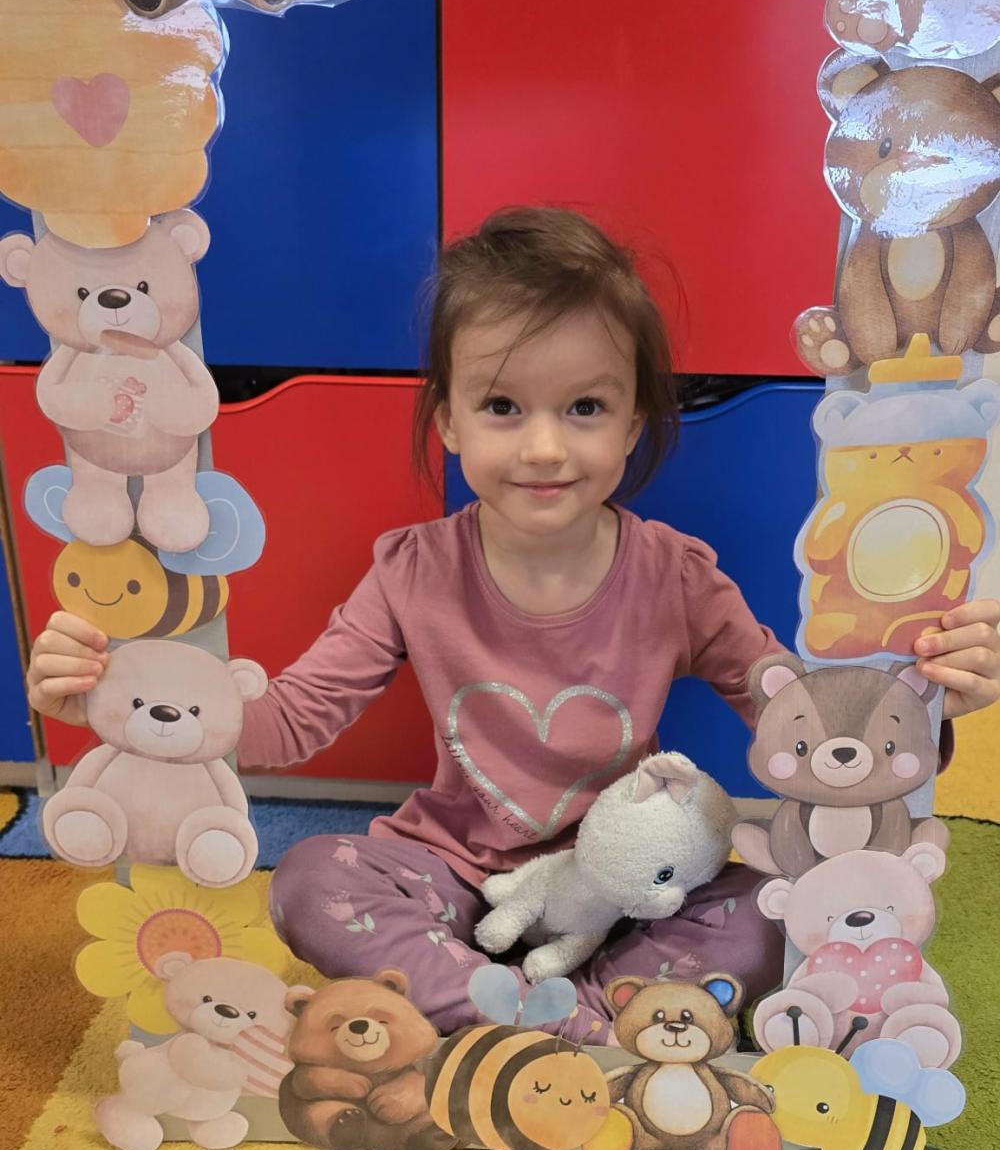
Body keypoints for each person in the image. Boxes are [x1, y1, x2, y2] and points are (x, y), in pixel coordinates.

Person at [26, 209, 1000, 1043]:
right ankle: (573, 1022)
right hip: (452, 879)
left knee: (763, 911)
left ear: (633, 423)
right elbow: (290, 720)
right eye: (501, 405)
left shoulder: (676, 577)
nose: (542, 446)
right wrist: (130, 695)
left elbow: (806, 726)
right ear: (448, 419)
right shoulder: (412, 569)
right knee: (310, 883)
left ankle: (545, 1008)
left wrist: (918, 705)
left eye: (584, 407)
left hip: (627, 885)